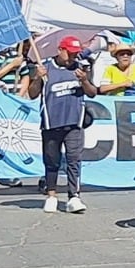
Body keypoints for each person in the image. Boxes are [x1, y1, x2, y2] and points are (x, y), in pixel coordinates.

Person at [22, 36, 92, 214]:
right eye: (70, 53)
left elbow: (92, 93)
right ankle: (51, 194)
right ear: (60, 50)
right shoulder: (45, 67)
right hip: (51, 122)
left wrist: (84, 80)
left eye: (75, 54)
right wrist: (38, 78)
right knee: (51, 160)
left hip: (74, 122)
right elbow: (32, 94)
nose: (73, 57)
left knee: (73, 159)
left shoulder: (80, 68)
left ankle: (74, 196)